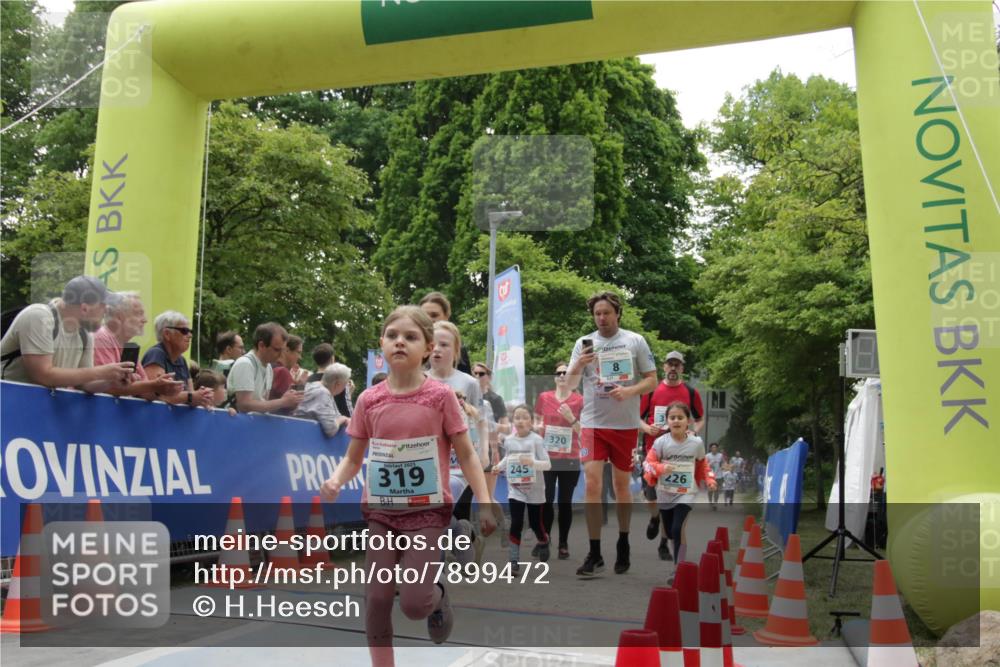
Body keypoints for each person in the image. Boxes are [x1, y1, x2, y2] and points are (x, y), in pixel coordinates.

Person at [320, 305, 496, 666]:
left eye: (411, 337)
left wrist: (485, 500)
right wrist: (336, 480)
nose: (400, 342)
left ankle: (439, 595)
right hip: (382, 513)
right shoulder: (369, 400)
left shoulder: (441, 396)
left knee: (414, 604)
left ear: (428, 348)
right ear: (382, 344)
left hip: (427, 514)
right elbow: (354, 458)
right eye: (392, 336)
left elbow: (465, 454)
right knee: (378, 598)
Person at [566, 291, 657, 577]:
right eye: (597, 314)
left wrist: (629, 391)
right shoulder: (583, 343)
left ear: (617, 313)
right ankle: (594, 551)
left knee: (620, 487)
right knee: (592, 484)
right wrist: (580, 364)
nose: (602, 318)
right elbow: (568, 385)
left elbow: (652, 379)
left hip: (625, 425)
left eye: (606, 312)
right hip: (593, 423)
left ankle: (623, 540)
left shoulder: (635, 341)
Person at [1, 275, 134, 391]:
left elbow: (85, 384)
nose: (106, 310)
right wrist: (100, 372)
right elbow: (42, 375)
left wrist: (110, 379)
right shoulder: (39, 317)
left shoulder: (85, 335)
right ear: (85, 308)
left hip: (33, 407)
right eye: (103, 305)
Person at [640, 350, 704, 560]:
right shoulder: (652, 391)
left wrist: (694, 431)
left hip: (681, 457)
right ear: (664, 367)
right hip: (655, 452)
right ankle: (654, 517)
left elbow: (700, 418)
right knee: (652, 496)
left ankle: (664, 543)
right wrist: (647, 429)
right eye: (670, 364)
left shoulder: (691, 392)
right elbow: (636, 418)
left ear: (682, 368)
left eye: (677, 364)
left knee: (675, 500)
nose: (674, 368)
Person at [643, 402, 716, 580]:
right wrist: (660, 468)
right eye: (672, 418)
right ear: (667, 421)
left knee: (677, 528)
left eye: (680, 417)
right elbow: (647, 463)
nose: (676, 421)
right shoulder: (661, 442)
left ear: (688, 421)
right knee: (668, 531)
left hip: (686, 492)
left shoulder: (696, 442)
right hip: (665, 493)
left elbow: (703, 464)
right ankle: (677, 559)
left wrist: (710, 479)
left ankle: (679, 569)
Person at [427, 321, 489, 521]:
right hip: (429, 457)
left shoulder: (469, 382)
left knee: (459, 512)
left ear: (455, 351)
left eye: (444, 345)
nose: (437, 349)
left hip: (461, 457)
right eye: (433, 344)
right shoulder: (420, 380)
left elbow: (480, 418)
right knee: (434, 514)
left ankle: (465, 542)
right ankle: (451, 542)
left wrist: (485, 452)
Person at [92, 292, 184, 400]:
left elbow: (144, 391)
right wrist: (154, 385)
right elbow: (108, 387)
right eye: (139, 313)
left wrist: (163, 389)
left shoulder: (129, 347)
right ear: (119, 316)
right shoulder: (101, 338)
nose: (145, 320)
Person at [534, 361, 583, 560]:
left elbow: (585, 433)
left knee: (564, 502)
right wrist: (537, 428)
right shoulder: (544, 398)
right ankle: (544, 539)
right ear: (554, 377)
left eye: (566, 373)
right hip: (547, 457)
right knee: (545, 499)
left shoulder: (579, 400)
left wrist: (571, 418)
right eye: (558, 373)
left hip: (570, 458)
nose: (562, 376)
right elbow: (536, 420)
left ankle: (563, 542)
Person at [498, 404, 552, 573]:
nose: (520, 421)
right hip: (515, 488)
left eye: (524, 417)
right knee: (516, 522)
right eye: (517, 417)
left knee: (536, 523)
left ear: (531, 421)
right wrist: (497, 467)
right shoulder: (509, 440)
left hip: (535, 490)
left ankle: (543, 540)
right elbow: (508, 458)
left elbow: (547, 465)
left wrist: (532, 463)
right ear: (513, 421)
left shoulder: (536, 440)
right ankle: (513, 561)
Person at [227, 322, 303, 414]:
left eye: (282, 350)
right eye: (277, 349)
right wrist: (282, 402)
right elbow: (244, 405)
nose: (281, 354)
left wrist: (289, 402)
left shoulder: (268, 368)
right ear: (261, 345)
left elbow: (263, 405)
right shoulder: (245, 364)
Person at [142, 311, 215, 408]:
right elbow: (155, 395)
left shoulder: (182, 360)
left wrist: (203, 396)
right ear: (167, 334)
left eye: (190, 331)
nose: (190, 335)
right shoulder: (156, 354)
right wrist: (191, 396)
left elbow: (190, 396)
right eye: (184, 331)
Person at [419, 291, 472, 374]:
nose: (428, 319)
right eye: (424, 315)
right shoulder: (412, 347)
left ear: (446, 317)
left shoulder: (457, 349)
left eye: (434, 315)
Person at [294, 364, 351, 437]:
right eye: (345, 385)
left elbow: (335, 415)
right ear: (337, 384)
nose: (344, 389)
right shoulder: (322, 393)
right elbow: (331, 429)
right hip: (302, 436)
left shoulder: (316, 386)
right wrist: (343, 419)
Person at [269, 334, 309, 402]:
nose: (300, 357)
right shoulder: (282, 371)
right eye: (298, 352)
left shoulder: (269, 366)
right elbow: (289, 405)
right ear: (287, 350)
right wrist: (301, 386)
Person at [705, 442, 724, 510]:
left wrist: (722, 467)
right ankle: (710, 502)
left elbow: (722, 463)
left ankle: (715, 503)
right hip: (710, 475)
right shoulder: (707, 456)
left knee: (717, 490)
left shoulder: (720, 455)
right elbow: (705, 465)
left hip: (718, 475)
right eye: (713, 447)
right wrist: (710, 464)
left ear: (717, 448)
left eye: (715, 447)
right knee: (710, 490)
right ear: (710, 448)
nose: (714, 448)